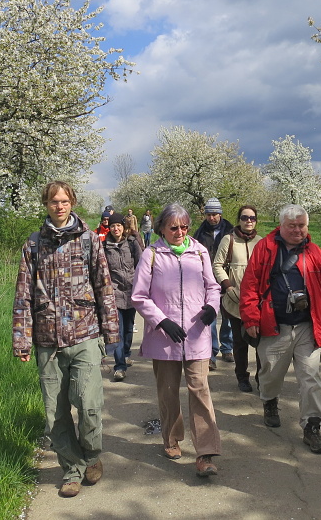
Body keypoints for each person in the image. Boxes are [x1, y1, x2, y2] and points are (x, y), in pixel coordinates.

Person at [12, 181, 120, 498]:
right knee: (55, 414)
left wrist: (111, 330)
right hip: (47, 340)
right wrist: (21, 339)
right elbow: (23, 297)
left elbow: (104, 287)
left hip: (84, 334)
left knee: (89, 407)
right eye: (53, 201)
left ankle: (91, 456)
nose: (59, 206)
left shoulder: (88, 241)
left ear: (72, 202)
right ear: (45, 204)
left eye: (64, 201)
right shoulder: (33, 245)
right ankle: (71, 470)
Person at [130, 203, 222, 477]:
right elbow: (139, 296)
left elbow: (213, 287)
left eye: (184, 227)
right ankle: (171, 439)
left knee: (200, 391)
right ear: (161, 228)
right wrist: (161, 321)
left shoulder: (200, 251)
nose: (180, 232)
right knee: (168, 392)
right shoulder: (152, 254)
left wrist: (212, 307)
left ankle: (206, 452)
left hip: (197, 336)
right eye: (174, 228)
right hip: (165, 338)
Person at [239, 204, 321, 454]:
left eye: (301, 225)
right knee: (271, 374)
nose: (297, 230)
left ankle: (312, 427)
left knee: (310, 377)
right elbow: (250, 284)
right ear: (281, 226)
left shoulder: (315, 252)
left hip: (307, 325)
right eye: (292, 226)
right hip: (275, 325)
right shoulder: (266, 248)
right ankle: (270, 402)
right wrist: (251, 318)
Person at [212, 205, 263, 393]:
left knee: (260, 342)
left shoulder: (261, 242)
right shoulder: (228, 240)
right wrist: (227, 286)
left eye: (252, 218)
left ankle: (261, 377)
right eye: (244, 217)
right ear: (239, 220)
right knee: (239, 342)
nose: (248, 221)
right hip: (235, 300)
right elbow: (217, 265)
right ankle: (242, 376)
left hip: (257, 302)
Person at [192, 197, 235, 369]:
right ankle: (211, 353)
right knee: (209, 317)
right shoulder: (200, 232)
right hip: (207, 278)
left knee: (228, 316)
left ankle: (227, 347)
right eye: (209, 214)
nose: (212, 218)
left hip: (226, 277)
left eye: (215, 214)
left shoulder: (231, 231)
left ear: (220, 214)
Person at [104, 212, 143, 382]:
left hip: (132, 292)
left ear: (123, 226)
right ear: (109, 228)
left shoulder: (132, 243)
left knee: (128, 328)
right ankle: (119, 366)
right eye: (113, 226)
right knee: (118, 331)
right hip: (115, 294)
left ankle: (126, 353)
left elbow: (141, 265)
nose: (116, 228)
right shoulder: (104, 246)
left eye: (118, 225)